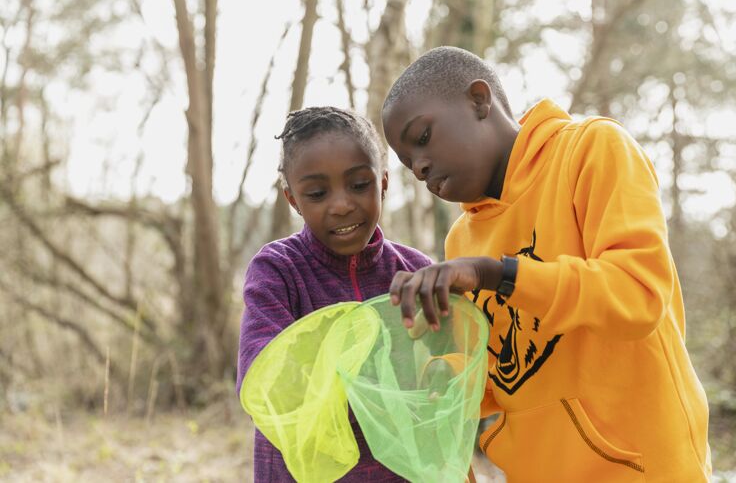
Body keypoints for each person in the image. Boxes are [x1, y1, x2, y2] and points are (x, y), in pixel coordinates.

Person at [382, 46, 711, 482]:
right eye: (407, 164)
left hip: (643, 468)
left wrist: (498, 275)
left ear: (479, 101)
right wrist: (433, 372)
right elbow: (501, 373)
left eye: (422, 138)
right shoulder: (462, 239)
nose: (420, 167)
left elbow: (639, 295)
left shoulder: (592, 149)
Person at [236, 106, 431, 482]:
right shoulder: (279, 270)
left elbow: (444, 377)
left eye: (359, 185)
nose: (341, 205)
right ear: (293, 200)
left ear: (384, 184)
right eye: (317, 193)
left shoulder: (415, 271)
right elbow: (263, 379)